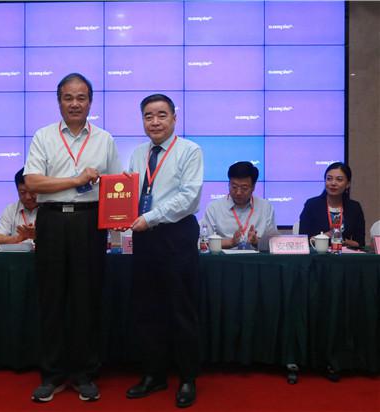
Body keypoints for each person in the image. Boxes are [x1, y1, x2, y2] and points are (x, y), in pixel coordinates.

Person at [24, 73, 122, 403]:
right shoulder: (44, 136)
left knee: (87, 299)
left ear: (90, 102)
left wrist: (120, 218)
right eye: (68, 97)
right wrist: (76, 180)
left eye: (81, 97)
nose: (75, 103)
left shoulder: (104, 139)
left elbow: (115, 187)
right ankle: (51, 374)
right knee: (51, 299)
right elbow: (33, 182)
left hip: (90, 222)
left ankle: (84, 374)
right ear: (59, 101)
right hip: (52, 220)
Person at [126, 94, 203, 408]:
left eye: (161, 115)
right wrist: (121, 215)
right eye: (148, 116)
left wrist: (151, 217)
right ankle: (153, 374)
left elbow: (189, 197)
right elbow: (129, 193)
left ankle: (187, 378)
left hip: (176, 234)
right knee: (148, 308)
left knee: (180, 308)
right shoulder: (137, 153)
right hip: (144, 237)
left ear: (174, 118)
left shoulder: (189, 150)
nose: (154, 122)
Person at [202, 161, 277, 249]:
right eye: (234, 187)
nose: (238, 192)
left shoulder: (266, 207)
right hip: (225, 256)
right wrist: (231, 242)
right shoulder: (214, 208)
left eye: (244, 188)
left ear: (253, 187)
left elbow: (274, 243)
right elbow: (205, 242)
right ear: (228, 184)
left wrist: (256, 242)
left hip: (256, 256)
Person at [299, 162, 365, 248]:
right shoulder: (312, 205)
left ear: (348, 184)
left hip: (344, 254)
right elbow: (302, 240)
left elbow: (360, 243)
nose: (333, 183)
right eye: (329, 179)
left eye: (339, 179)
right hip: (318, 254)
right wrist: (324, 236)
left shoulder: (354, 207)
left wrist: (343, 241)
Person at [0, 168, 38, 246]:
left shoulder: (51, 209)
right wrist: (18, 238)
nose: (28, 197)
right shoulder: (10, 209)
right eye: (22, 192)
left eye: (32, 192)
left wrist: (39, 235)